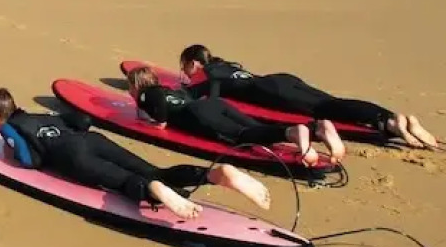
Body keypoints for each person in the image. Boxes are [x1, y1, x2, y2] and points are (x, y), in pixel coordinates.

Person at [0, 88, 271, 222]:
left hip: (74, 157)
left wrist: (10, 151)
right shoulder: (39, 116)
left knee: (122, 181)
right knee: (155, 170)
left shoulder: (9, 129)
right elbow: (81, 120)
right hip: (93, 140)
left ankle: (152, 189)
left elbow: (30, 161)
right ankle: (213, 174)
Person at [179, 44, 437, 149]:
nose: (185, 73)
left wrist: (185, 94)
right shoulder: (226, 65)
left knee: (324, 108)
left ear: (194, 63)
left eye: (185, 67)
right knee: (331, 102)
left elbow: (208, 97)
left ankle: (390, 122)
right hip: (281, 80)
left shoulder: (208, 73)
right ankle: (392, 118)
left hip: (271, 91)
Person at [125, 65, 343, 166]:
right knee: (255, 128)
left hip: (197, 114)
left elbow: (161, 121)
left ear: (137, 85)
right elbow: (202, 89)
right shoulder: (171, 90)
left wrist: (153, 124)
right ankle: (316, 129)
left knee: (242, 136)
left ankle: (292, 132)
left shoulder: (146, 95)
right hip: (214, 104)